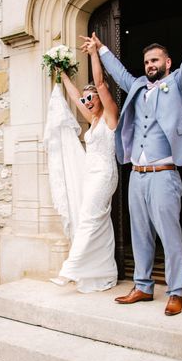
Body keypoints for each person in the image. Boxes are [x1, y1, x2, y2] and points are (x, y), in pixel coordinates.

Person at [95, 0, 182, 316]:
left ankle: (176, 290)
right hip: (137, 174)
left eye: (155, 60)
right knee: (139, 233)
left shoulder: (179, 84)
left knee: (169, 235)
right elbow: (118, 74)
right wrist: (101, 50)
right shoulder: (137, 87)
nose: (149, 64)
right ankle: (143, 286)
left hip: (163, 174)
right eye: (146, 61)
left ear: (167, 62)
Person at [48, 34, 119, 293]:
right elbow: (76, 97)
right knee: (98, 221)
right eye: (87, 98)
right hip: (91, 174)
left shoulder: (111, 116)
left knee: (89, 218)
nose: (88, 100)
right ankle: (103, 271)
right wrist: (63, 73)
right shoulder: (92, 119)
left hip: (104, 174)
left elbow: (100, 83)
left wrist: (93, 54)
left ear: (101, 98)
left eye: (93, 96)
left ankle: (70, 269)